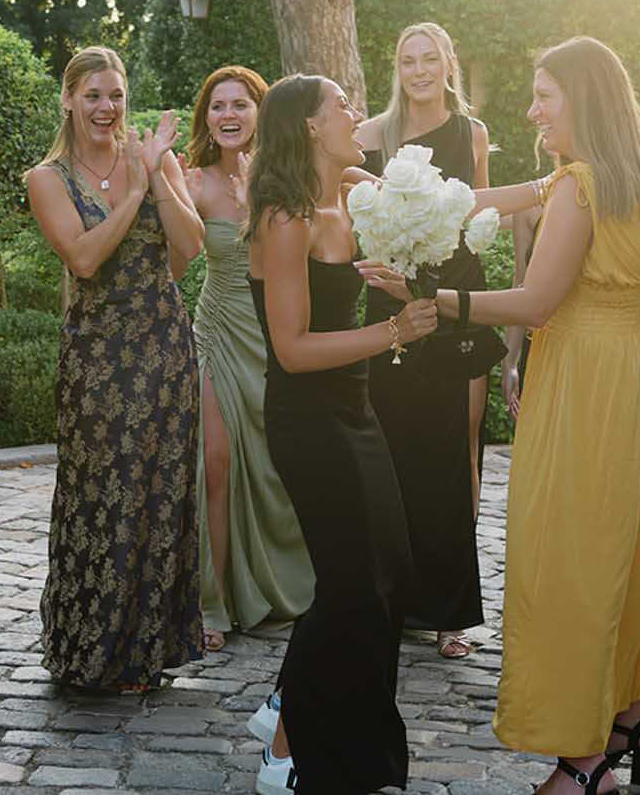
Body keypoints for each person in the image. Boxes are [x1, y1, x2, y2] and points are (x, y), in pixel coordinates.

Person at [361, 36, 640, 795]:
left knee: (569, 558)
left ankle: (582, 765)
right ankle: (631, 721)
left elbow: (536, 303)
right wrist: (394, 196)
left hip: (581, 376)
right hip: (631, 371)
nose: (532, 109)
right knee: (613, 545)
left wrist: (432, 301)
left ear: (583, 98)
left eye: (544, 94)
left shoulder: (581, 187)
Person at [246, 73, 440, 795]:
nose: (357, 115)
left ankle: (359, 757)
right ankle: (303, 754)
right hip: (307, 420)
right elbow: (292, 350)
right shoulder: (285, 217)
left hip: (356, 409)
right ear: (309, 127)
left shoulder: (353, 186)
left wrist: (549, 190)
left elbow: (457, 201)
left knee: (387, 579)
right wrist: (391, 328)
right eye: (343, 107)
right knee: (353, 588)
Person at [26, 46, 205, 691]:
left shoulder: (156, 162)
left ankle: (146, 653)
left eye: (116, 97)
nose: (107, 109)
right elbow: (83, 257)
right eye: (94, 96)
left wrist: (155, 177)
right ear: (69, 100)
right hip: (98, 359)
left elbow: (191, 245)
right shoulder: (47, 177)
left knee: (161, 496)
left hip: (165, 349)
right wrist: (132, 195)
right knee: (101, 497)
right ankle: (91, 652)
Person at [354, 21, 497, 660]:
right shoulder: (370, 137)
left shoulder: (473, 135)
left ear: (447, 64)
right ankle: (390, 600)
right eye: (408, 59)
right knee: (388, 453)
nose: (419, 70)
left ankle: (449, 612)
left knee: (450, 454)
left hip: (456, 303)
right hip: (389, 305)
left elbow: (479, 211)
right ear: (397, 67)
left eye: (429, 58)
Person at [182, 65, 313, 651]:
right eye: (217, 106)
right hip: (215, 329)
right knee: (215, 459)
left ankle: (285, 582)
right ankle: (213, 601)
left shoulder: (288, 180)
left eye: (240, 104)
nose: (228, 115)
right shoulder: (192, 181)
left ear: (262, 113)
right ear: (206, 118)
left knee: (278, 463)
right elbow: (173, 261)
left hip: (275, 330)